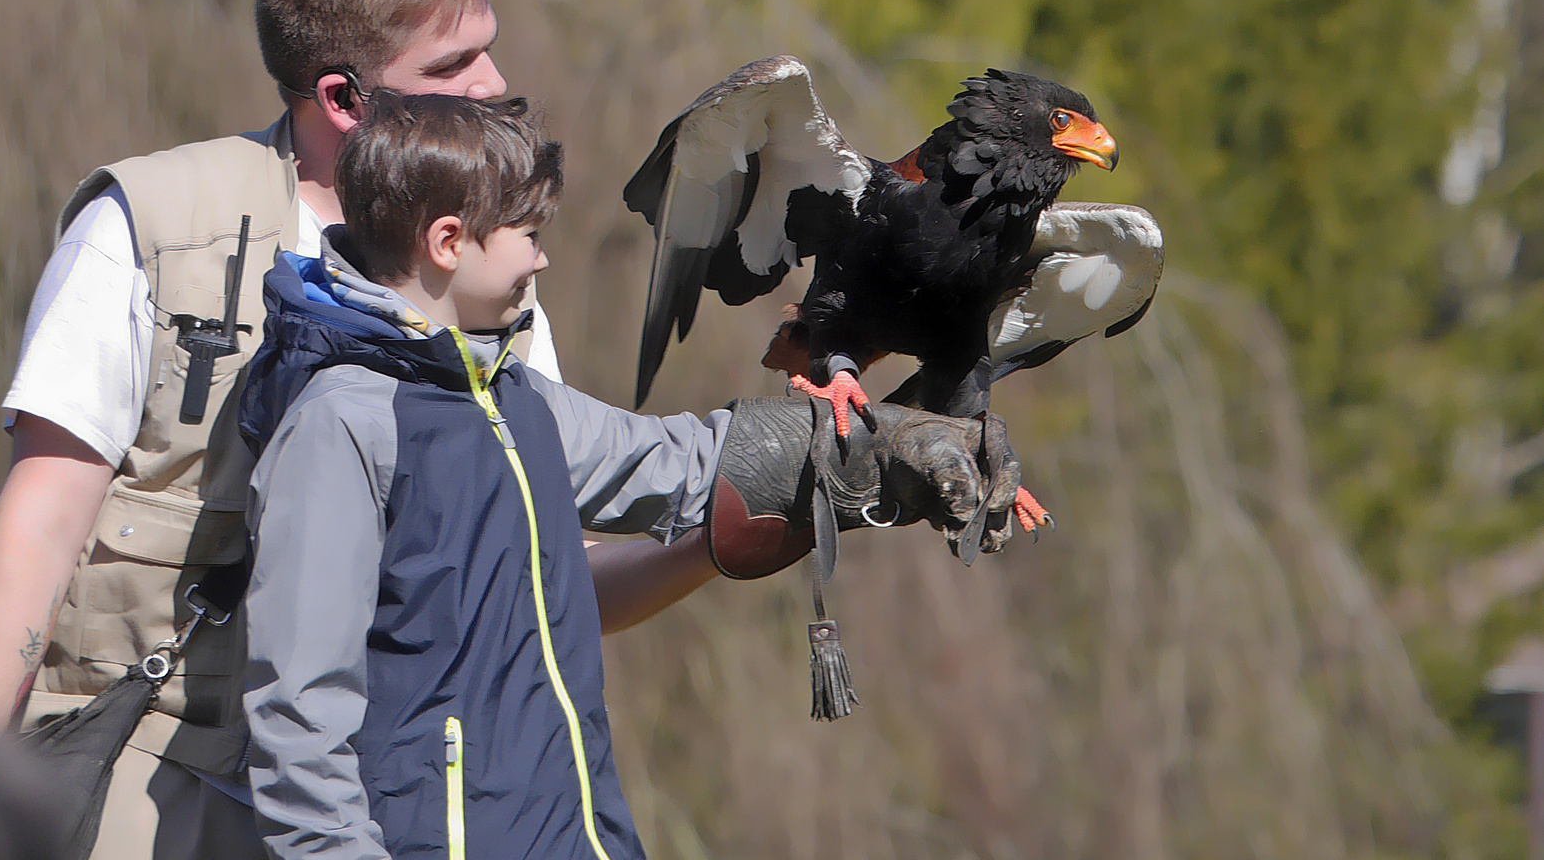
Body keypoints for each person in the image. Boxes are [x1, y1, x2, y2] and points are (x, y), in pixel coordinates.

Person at [0, 0, 713, 859]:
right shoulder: (151, 229)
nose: (495, 84)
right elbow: (30, 549)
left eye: (488, 49)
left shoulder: (484, 287)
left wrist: (718, 542)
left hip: (381, 810)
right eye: (450, 68)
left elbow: (538, 580)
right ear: (342, 98)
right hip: (146, 784)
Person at [238, 91, 1015, 858]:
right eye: (528, 233)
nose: (542, 256)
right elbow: (299, 722)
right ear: (448, 242)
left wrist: (883, 448)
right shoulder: (343, 423)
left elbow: (680, 465)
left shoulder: (515, 397)